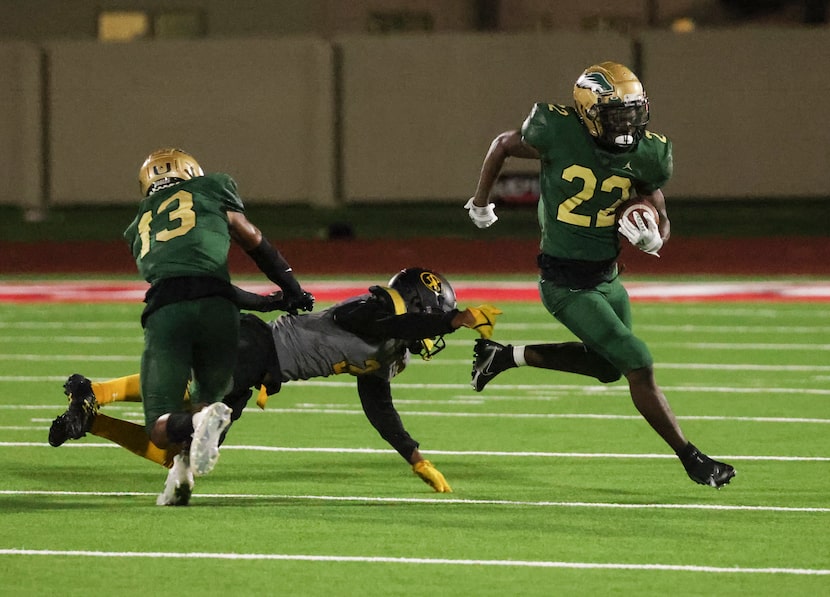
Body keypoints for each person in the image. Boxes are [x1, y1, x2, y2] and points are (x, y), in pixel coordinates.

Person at [464, 62, 735, 489]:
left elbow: (659, 210)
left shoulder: (649, 153)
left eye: (633, 112)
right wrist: (481, 202)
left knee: (609, 369)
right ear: (589, 111)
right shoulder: (557, 130)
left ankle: (503, 356)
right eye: (616, 114)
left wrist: (655, 239)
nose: (627, 123)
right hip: (564, 283)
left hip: (607, 277)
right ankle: (691, 457)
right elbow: (502, 144)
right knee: (637, 360)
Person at [49, 268, 502, 505]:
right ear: (419, 308)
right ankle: (98, 390)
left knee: (174, 451)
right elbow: (390, 319)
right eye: (432, 319)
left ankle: (93, 419)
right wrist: (453, 318)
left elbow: (377, 405)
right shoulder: (373, 309)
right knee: (184, 402)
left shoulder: (389, 350)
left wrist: (414, 456)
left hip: (258, 369)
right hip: (252, 344)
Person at [61, 147, 316, 500]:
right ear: (190, 171)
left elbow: (180, 279)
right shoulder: (215, 187)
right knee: (204, 404)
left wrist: (267, 299)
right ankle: (181, 475)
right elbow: (251, 239)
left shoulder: (137, 227)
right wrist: (290, 289)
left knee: (161, 426)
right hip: (219, 309)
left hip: (167, 312)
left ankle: (190, 440)